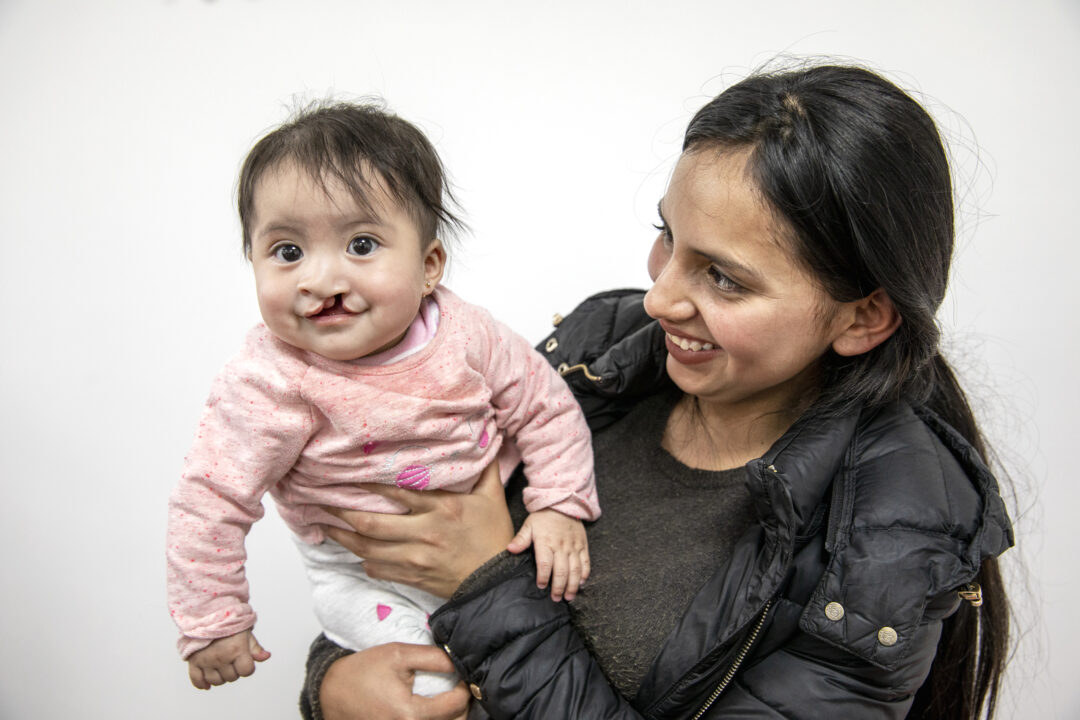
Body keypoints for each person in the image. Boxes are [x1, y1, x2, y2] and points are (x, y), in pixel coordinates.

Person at [301, 63, 1014, 720]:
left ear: (862, 318)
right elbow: (396, 580)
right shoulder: (593, 362)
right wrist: (333, 683)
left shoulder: (887, 542)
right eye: (667, 237)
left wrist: (487, 584)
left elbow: (466, 576)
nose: (658, 299)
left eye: (724, 277)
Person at [165, 102, 600, 697]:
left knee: (556, 624)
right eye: (287, 252)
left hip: (497, 531)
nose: (320, 279)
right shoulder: (267, 381)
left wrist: (558, 504)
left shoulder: (468, 335)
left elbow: (545, 408)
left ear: (428, 266)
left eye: (362, 244)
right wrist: (212, 617)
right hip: (359, 573)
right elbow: (209, 499)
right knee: (435, 687)